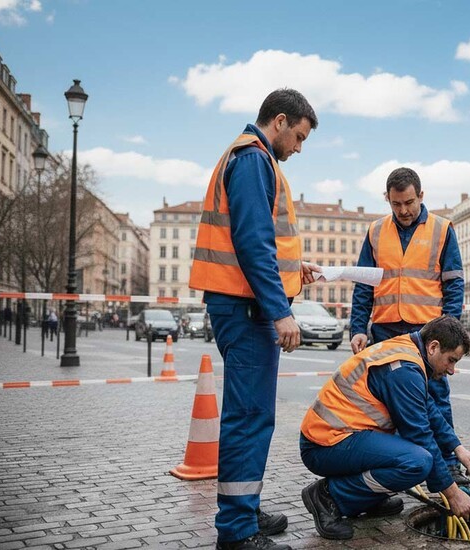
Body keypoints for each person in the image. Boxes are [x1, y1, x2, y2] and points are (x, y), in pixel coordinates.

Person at [189, 88, 320, 550]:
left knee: (253, 415)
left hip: (243, 304)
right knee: (248, 417)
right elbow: (251, 242)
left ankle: (245, 507)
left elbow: (262, 243)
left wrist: (292, 270)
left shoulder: (257, 159)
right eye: (299, 137)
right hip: (245, 309)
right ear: (280, 121)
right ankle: (237, 530)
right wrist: (280, 311)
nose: (299, 148)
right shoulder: (253, 158)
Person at [299, 315, 470, 540]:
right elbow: (421, 435)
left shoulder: (408, 350)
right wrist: (453, 494)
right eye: (451, 360)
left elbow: (428, 408)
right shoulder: (404, 369)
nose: (452, 370)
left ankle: (368, 498)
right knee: (417, 462)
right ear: (433, 347)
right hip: (325, 444)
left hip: (340, 437)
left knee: (410, 455)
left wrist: (457, 448)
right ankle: (329, 497)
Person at [349, 167, 468, 485]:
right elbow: (363, 285)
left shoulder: (442, 230)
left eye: (409, 203)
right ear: (387, 199)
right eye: (396, 203)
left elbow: (454, 284)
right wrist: (358, 328)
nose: (403, 210)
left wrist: (448, 329)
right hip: (386, 330)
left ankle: (447, 464)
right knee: (385, 401)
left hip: (426, 331)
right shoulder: (375, 231)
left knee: (436, 397)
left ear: (421, 196)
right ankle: (401, 463)